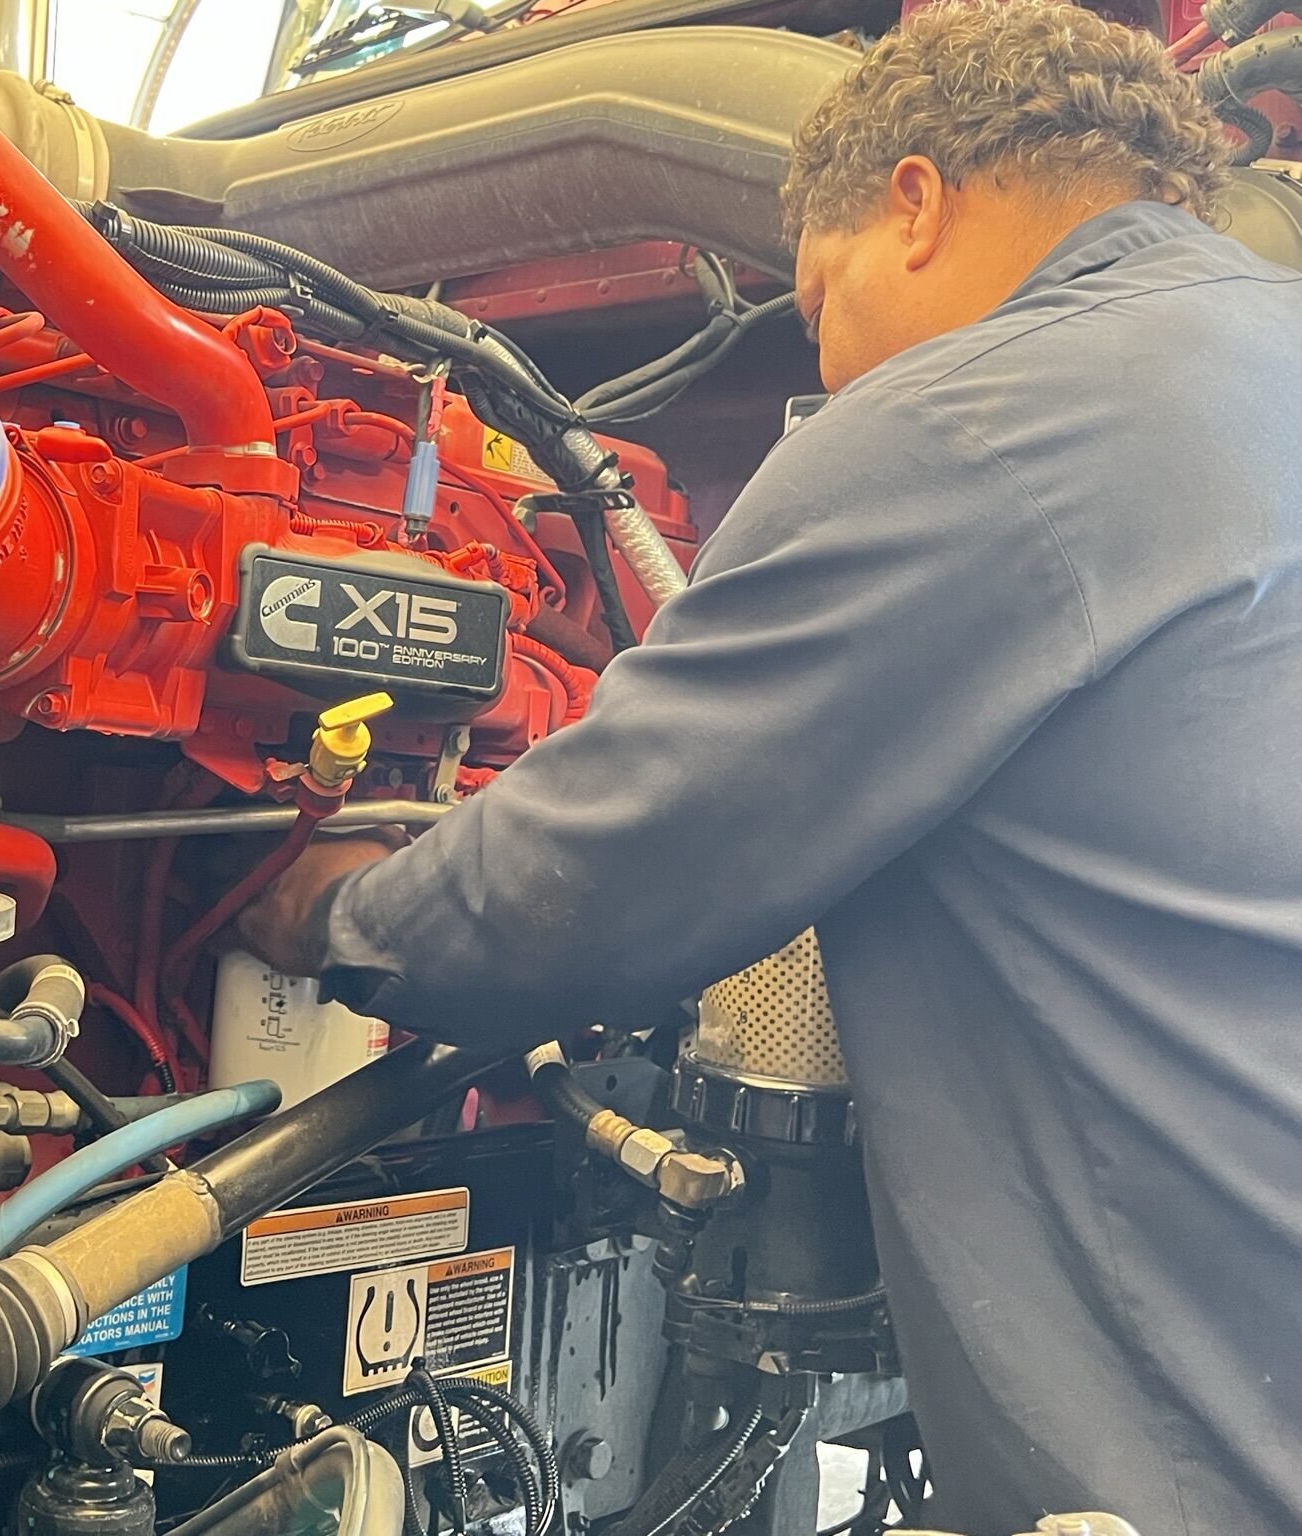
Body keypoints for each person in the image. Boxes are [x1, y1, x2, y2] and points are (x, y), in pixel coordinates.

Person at [236, 4, 1302, 1531]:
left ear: (916, 205)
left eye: (817, 300)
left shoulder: (984, 419)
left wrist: (330, 914)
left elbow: (598, 870)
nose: (832, 356)